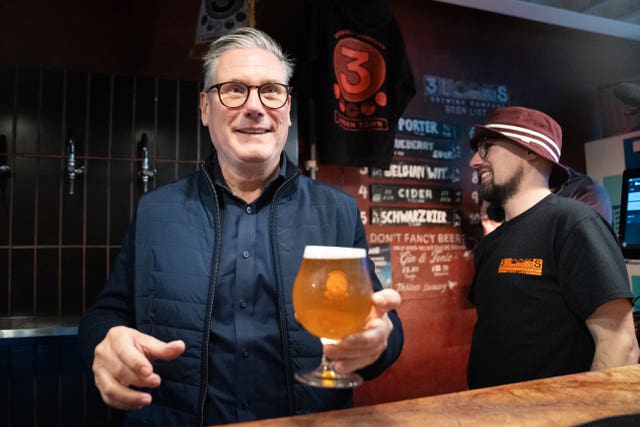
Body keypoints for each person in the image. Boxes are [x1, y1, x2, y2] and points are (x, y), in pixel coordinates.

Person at [78, 27, 403, 426]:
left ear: (287, 108)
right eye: (234, 89)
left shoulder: (338, 212)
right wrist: (103, 341)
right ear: (203, 107)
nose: (255, 106)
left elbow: (379, 322)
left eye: (271, 90)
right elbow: (106, 313)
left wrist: (379, 345)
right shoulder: (154, 211)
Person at [466, 106, 639, 389]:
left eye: (486, 147)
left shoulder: (573, 223)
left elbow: (620, 344)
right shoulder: (490, 245)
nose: (474, 161)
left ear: (530, 149)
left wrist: (586, 415)